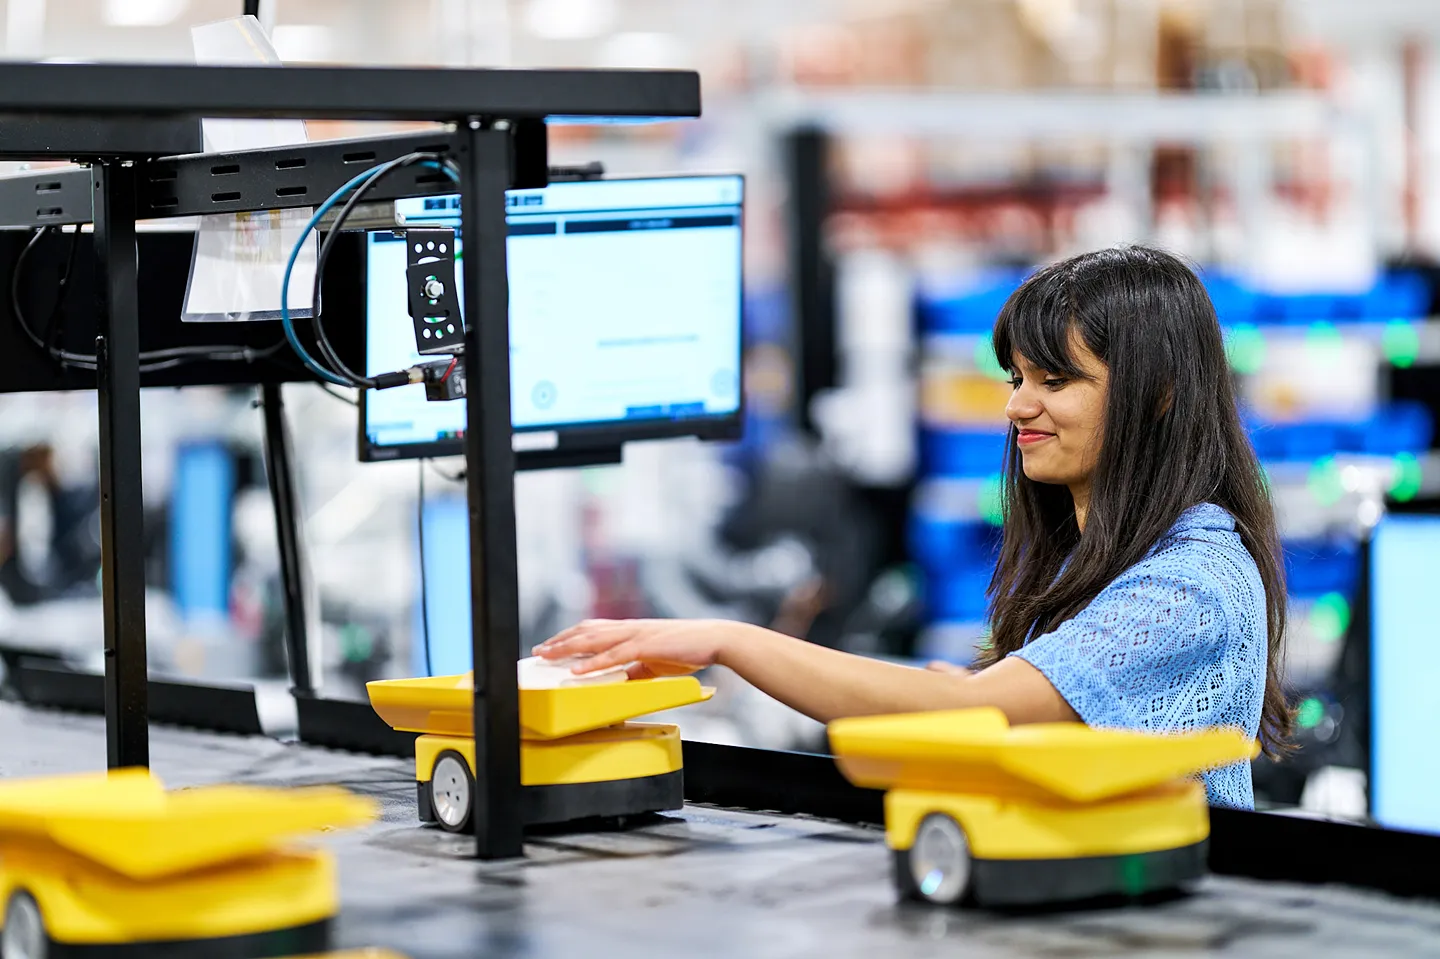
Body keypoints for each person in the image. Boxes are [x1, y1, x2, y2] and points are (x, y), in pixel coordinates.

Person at [535, 245, 1290, 809]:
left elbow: (977, 714)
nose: (1017, 407)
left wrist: (730, 639)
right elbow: (1032, 722)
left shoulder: (1191, 579)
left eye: (1055, 381)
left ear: (1157, 394)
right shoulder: (1105, 556)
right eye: (1017, 378)